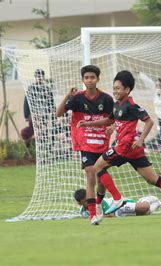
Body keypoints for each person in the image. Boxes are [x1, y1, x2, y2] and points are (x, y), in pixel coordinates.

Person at [77, 70, 161, 222]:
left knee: (97, 167)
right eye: (114, 88)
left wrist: (141, 139)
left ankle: (116, 198)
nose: (115, 91)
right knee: (152, 179)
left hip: (125, 146)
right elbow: (109, 121)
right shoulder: (117, 105)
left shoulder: (131, 105)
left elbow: (149, 121)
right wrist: (88, 123)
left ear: (127, 90)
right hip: (132, 150)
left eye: (118, 88)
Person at [56, 65, 122, 225]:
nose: (89, 80)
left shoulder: (106, 99)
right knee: (91, 175)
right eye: (86, 78)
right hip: (84, 144)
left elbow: (114, 119)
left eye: (92, 77)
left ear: (98, 79)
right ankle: (94, 214)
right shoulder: (77, 98)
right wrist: (67, 96)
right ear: (83, 80)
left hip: (101, 143)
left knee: (101, 179)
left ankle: (99, 204)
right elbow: (58, 113)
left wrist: (112, 127)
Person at [74, 188, 161, 218]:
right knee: (146, 213)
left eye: (88, 199)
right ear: (80, 204)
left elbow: (110, 214)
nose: (89, 202)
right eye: (85, 202)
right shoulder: (83, 213)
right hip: (119, 215)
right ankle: (158, 204)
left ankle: (150, 199)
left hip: (120, 205)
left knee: (144, 207)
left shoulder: (99, 201)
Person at [26, 69, 56, 143]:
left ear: (43, 77)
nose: (39, 77)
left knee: (44, 131)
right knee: (35, 130)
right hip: (34, 114)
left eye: (41, 76)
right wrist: (27, 115)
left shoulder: (47, 88)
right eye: (38, 76)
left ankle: (44, 145)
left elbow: (51, 101)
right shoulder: (31, 88)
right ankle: (34, 145)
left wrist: (50, 111)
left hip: (44, 113)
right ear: (35, 77)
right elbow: (26, 102)